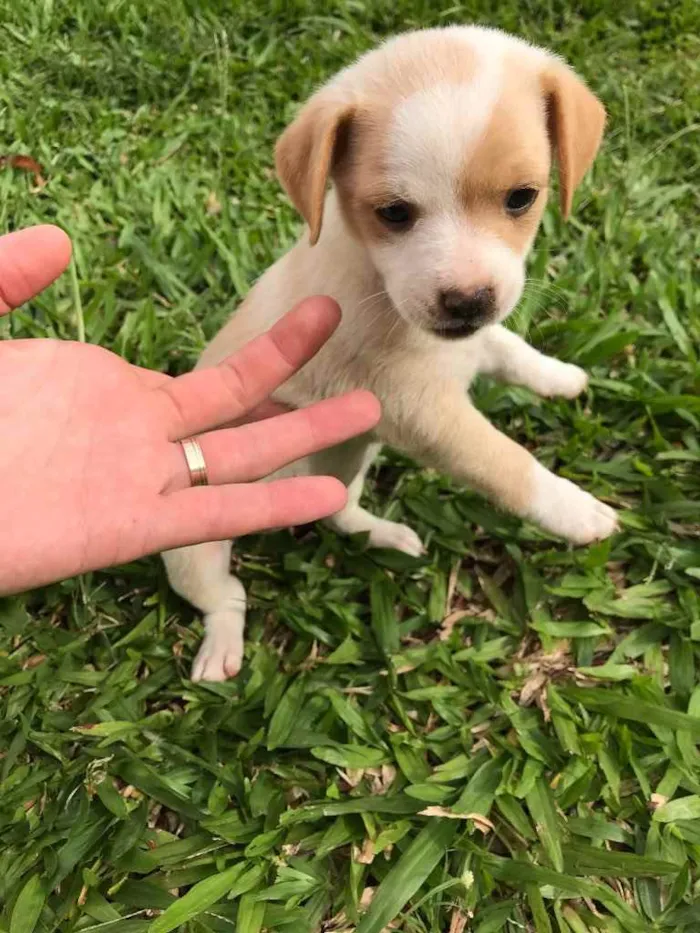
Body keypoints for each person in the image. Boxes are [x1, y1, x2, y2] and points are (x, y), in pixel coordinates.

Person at [0, 225, 380, 594]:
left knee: (345, 444)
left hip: (245, 440)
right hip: (190, 475)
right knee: (195, 563)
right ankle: (223, 609)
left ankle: (344, 514)